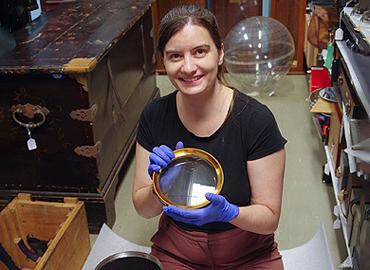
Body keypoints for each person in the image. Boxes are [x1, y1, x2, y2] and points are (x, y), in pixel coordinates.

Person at [132, 4, 287, 270]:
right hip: (178, 248)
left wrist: (230, 213)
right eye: (175, 56)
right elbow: (144, 209)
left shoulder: (256, 120)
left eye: (200, 52)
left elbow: (269, 218)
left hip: (248, 251)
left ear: (220, 53)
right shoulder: (154, 115)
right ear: (163, 61)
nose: (189, 67)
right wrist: (160, 186)